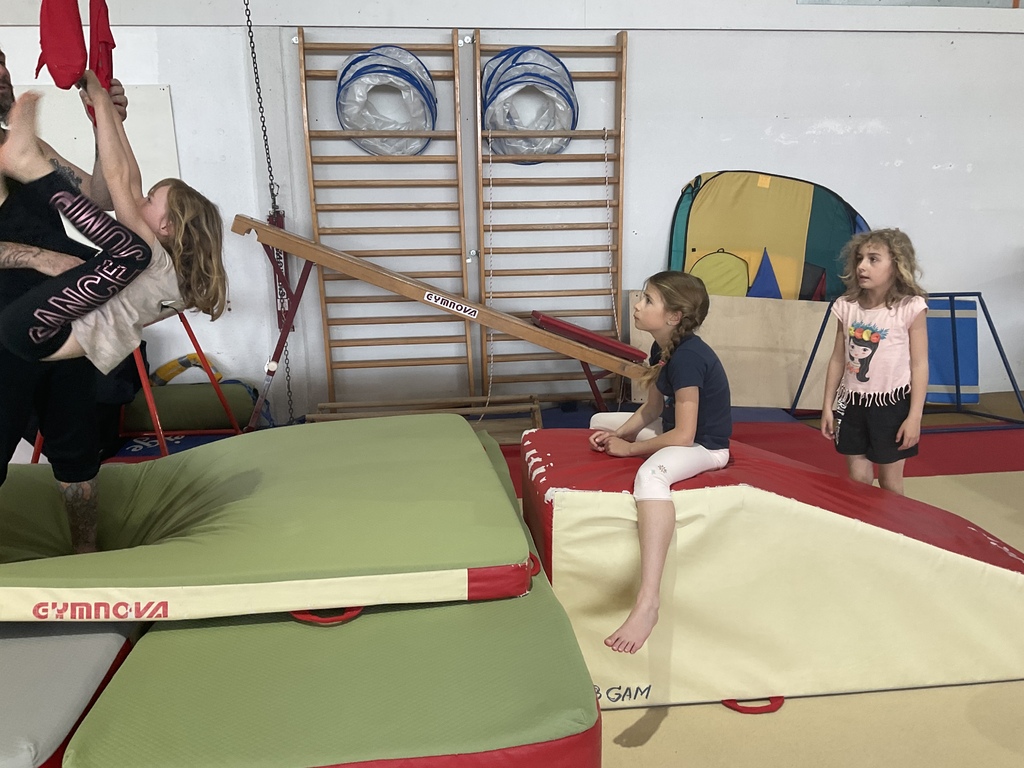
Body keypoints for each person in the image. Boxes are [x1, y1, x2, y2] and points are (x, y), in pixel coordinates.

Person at [0, 72, 227, 378]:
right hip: (33, 326)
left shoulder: (155, 260)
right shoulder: (161, 260)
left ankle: (32, 169)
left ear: (167, 226)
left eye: (149, 200)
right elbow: (129, 177)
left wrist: (99, 96)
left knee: (133, 252)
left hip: (35, 332)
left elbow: (118, 177)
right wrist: (106, 111)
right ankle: (31, 167)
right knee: (131, 251)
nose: (139, 199)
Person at [0, 44, 129, 554]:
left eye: (1, 61)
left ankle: (86, 555)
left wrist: (105, 125)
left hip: (61, 320)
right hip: (5, 332)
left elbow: (99, 197)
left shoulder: (28, 148)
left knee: (77, 448)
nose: (1, 72)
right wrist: (42, 258)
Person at [589, 271, 732, 654]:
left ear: (674, 316)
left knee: (650, 476)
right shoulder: (663, 347)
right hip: (679, 434)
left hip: (705, 447)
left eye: (647, 300)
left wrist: (629, 450)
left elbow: (684, 435)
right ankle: (615, 437)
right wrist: (621, 435)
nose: (637, 305)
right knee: (600, 422)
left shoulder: (689, 359)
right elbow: (652, 409)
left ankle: (648, 601)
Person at [820, 228, 928, 496]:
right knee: (858, 479)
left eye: (873, 259)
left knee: (890, 482)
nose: (862, 266)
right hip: (852, 402)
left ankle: (893, 523)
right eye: (859, 259)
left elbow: (919, 365)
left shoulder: (910, 308)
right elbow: (837, 359)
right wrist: (827, 406)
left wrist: (914, 416)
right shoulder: (847, 306)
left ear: (897, 265)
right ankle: (862, 521)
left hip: (891, 404)